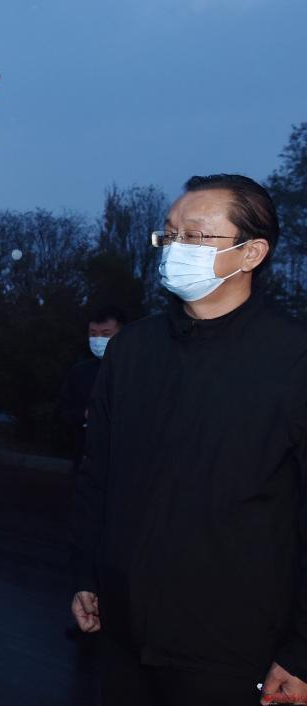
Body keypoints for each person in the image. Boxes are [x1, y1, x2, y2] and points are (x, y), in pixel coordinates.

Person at [71, 174, 307, 705]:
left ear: (252, 253)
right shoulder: (132, 350)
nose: (176, 248)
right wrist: (87, 573)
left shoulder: (293, 358)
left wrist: (302, 652)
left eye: (196, 236)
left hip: (235, 646)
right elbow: (97, 474)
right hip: (124, 632)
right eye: (170, 234)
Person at [58, 305, 126, 471]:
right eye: (93, 334)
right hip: (86, 462)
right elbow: (62, 413)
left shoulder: (139, 371)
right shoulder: (80, 372)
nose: (98, 340)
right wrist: (85, 414)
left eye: (106, 334)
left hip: (128, 464)